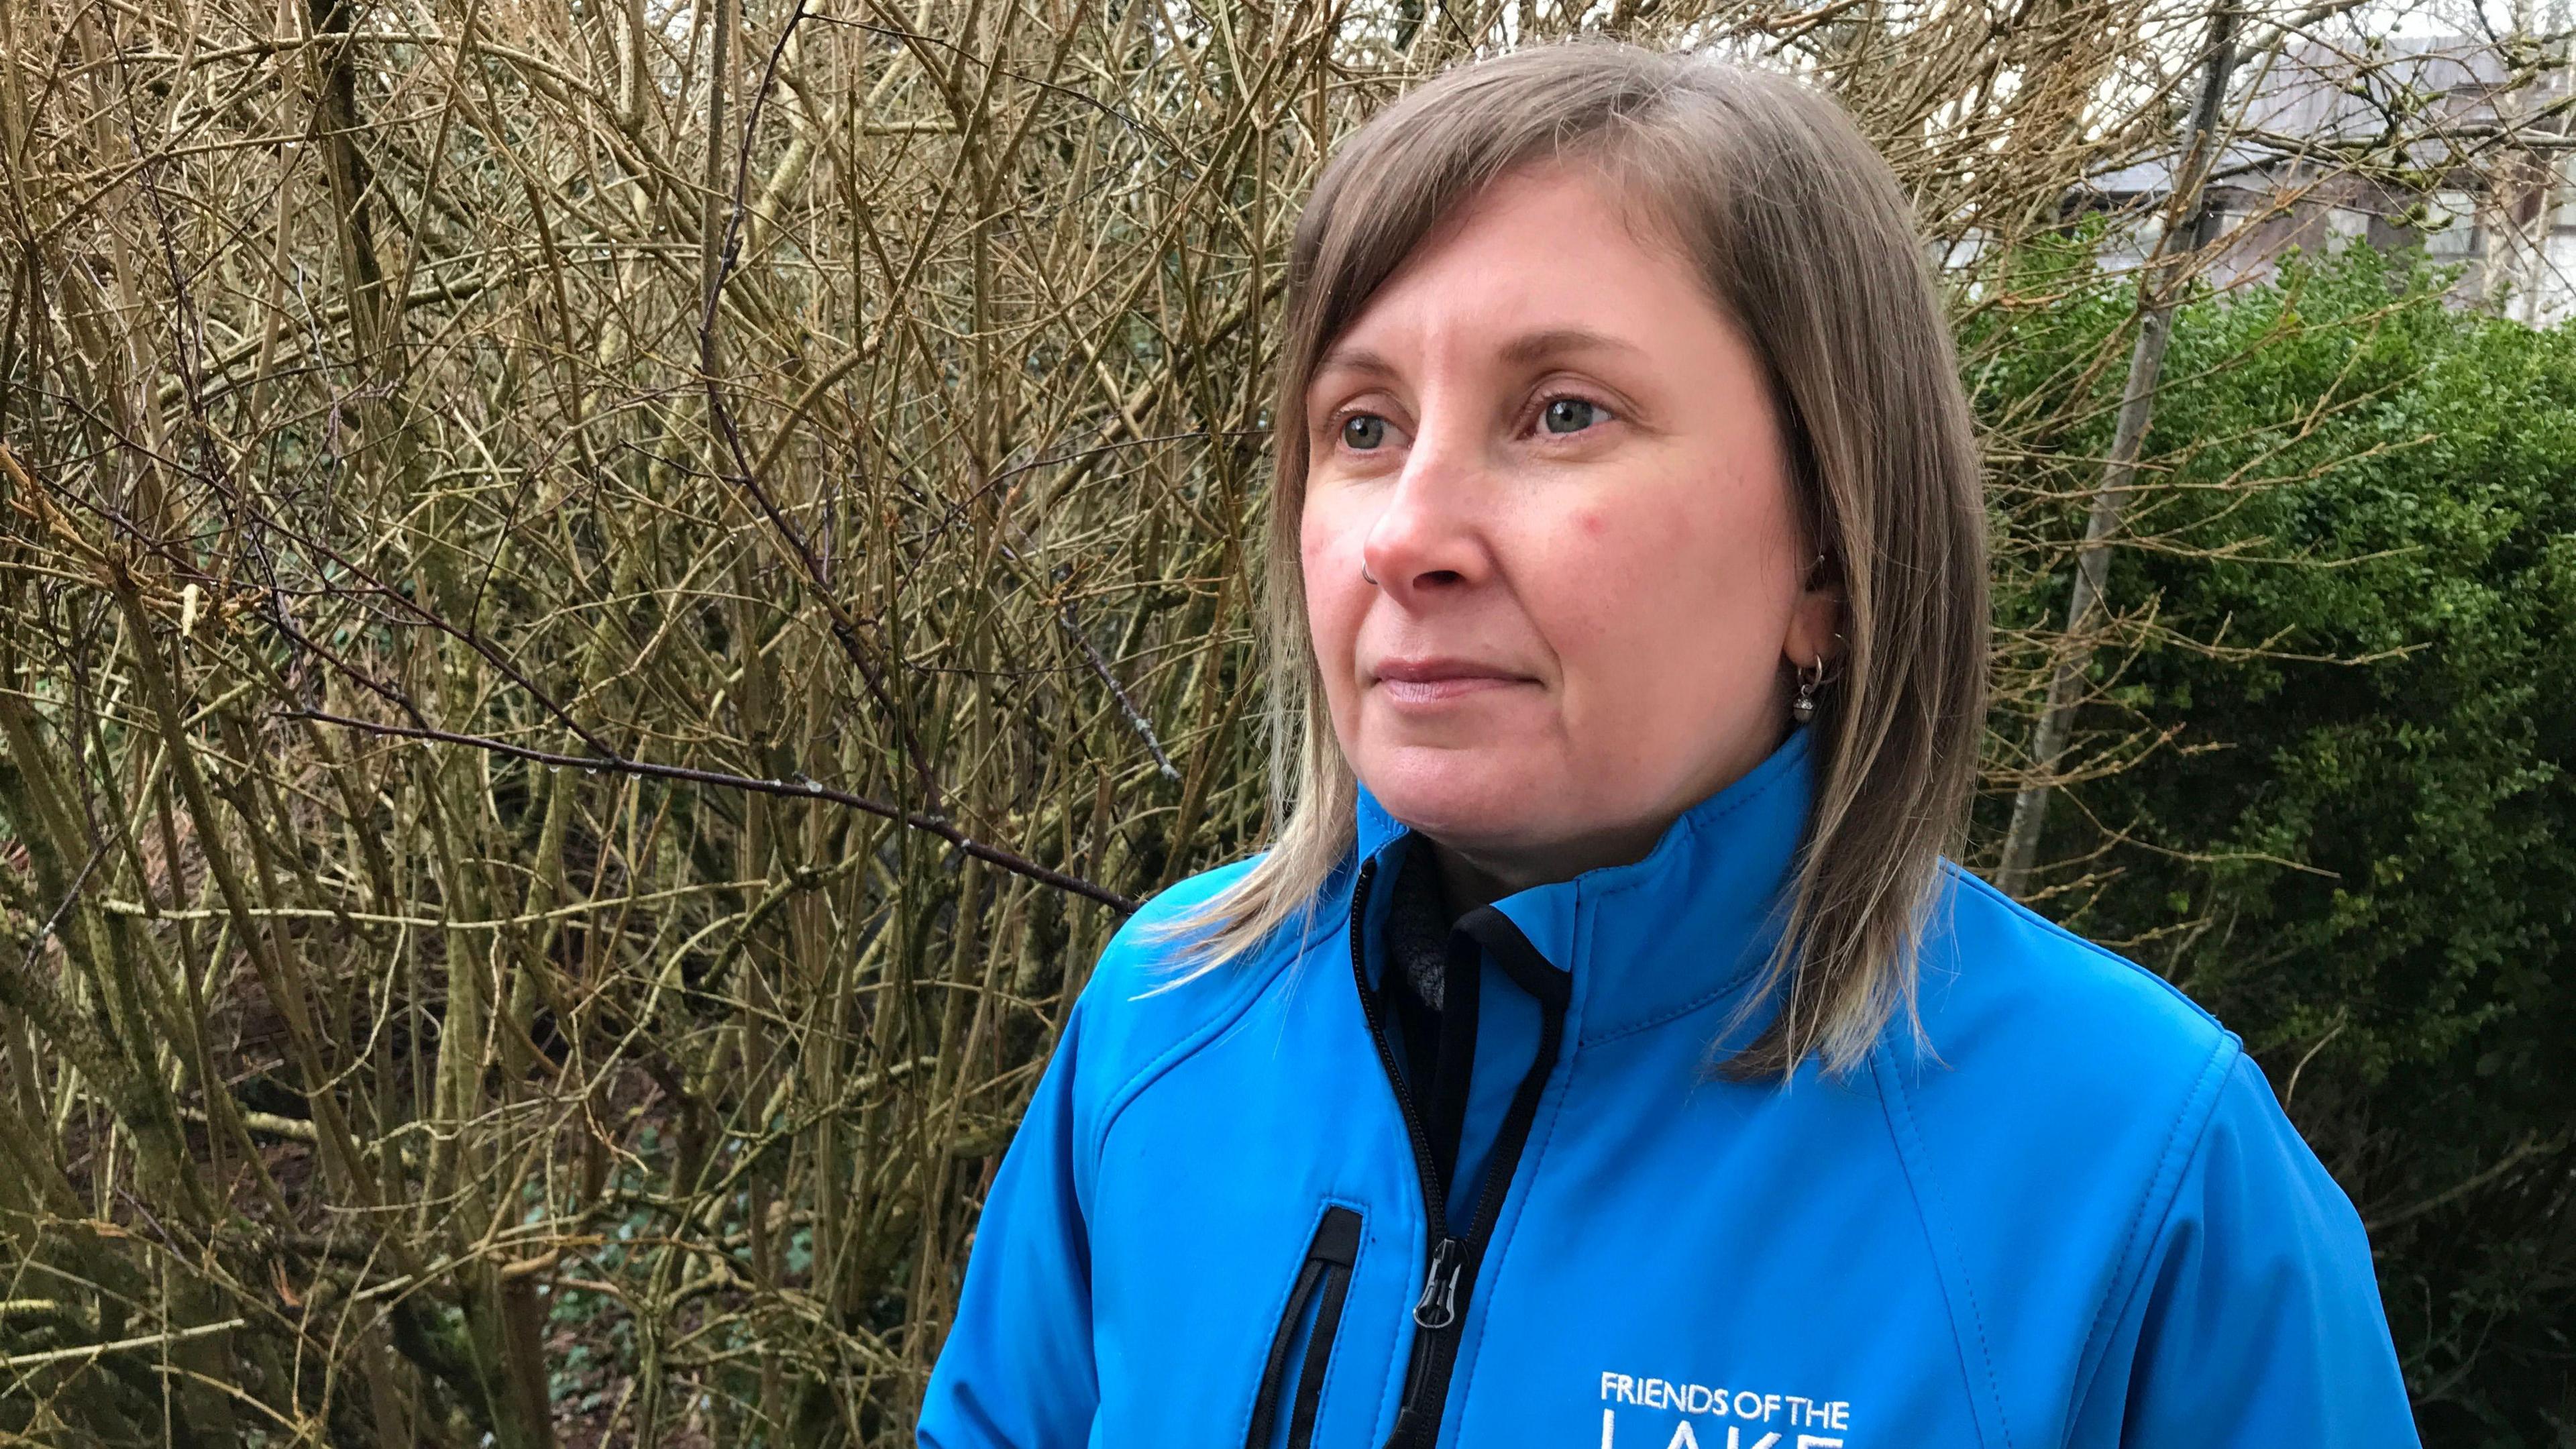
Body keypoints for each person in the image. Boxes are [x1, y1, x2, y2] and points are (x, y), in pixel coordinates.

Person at [914, 38, 2420, 1449]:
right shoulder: (1169, 1014)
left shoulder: (2142, 1172)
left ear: (1830, 550)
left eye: (1563, 413)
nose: (1408, 536)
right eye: (1362, 427)